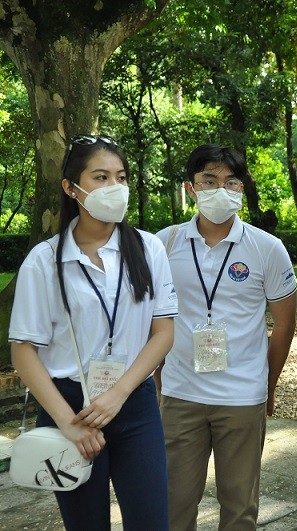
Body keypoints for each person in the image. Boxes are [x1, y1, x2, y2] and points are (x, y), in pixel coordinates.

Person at [9, 135, 177, 530]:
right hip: (69, 407)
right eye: (100, 177)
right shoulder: (45, 260)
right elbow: (23, 350)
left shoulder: (148, 248)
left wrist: (118, 395)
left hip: (133, 404)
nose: (113, 188)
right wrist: (68, 422)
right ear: (71, 187)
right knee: (85, 524)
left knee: (152, 520)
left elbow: (163, 332)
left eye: (121, 177)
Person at [156, 144, 297, 531]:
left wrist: (267, 384)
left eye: (231, 182)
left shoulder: (267, 248)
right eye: (209, 180)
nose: (220, 189)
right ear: (191, 187)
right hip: (181, 394)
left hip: (241, 396)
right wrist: (158, 380)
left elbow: (284, 324)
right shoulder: (163, 244)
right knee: (173, 503)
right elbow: (153, 320)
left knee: (239, 507)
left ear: (242, 188)